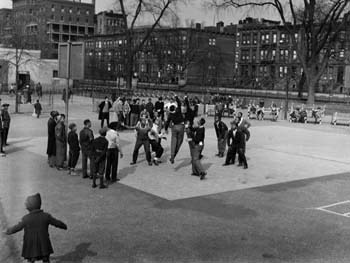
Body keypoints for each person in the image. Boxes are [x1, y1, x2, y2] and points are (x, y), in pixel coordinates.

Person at [5, 193, 67, 263]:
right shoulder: (46, 216)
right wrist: (64, 226)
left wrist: (8, 231)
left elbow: (17, 227)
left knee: (30, 260)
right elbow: (57, 223)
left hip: (30, 247)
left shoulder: (26, 218)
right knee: (46, 259)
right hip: (44, 246)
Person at [165, 94, 185, 164]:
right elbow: (179, 103)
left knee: (173, 142)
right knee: (179, 142)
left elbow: (167, 122)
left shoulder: (170, 115)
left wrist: (165, 129)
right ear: (175, 108)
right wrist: (176, 96)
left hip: (174, 127)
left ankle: (172, 155)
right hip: (181, 126)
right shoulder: (178, 110)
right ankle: (174, 155)